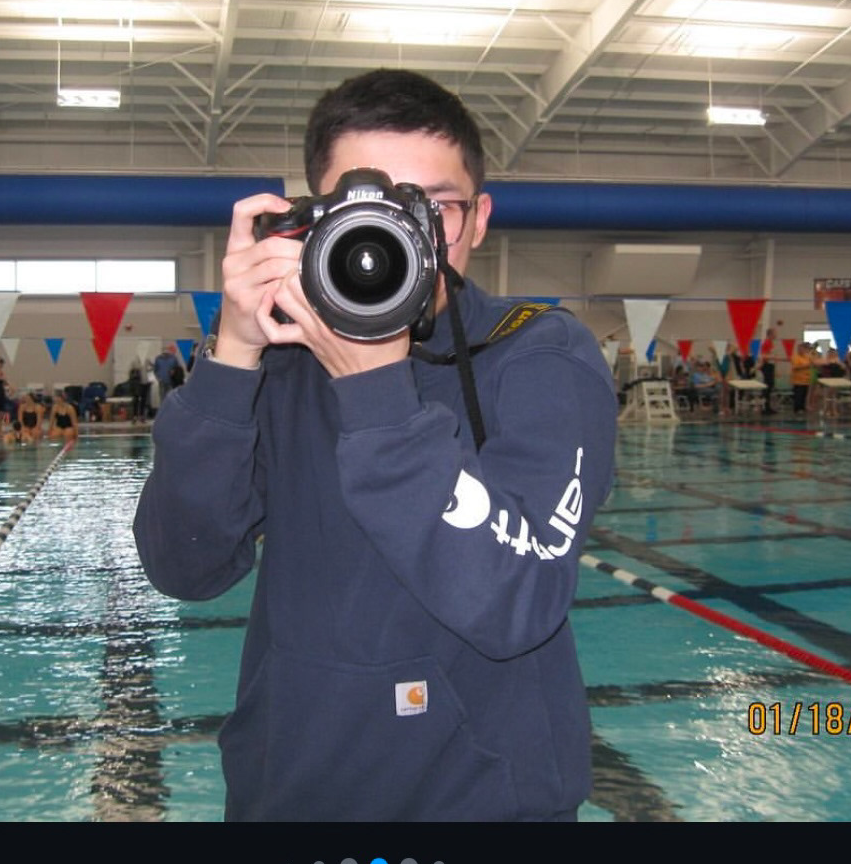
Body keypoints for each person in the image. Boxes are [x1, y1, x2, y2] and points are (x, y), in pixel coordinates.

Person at [134, 69, 618, 822]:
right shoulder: (281, 362)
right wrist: (232, 353)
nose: (405, 235)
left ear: (480, 218)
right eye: (368, 207)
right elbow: (183, 564)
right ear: (308, 220)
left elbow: (517, 599)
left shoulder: (539, 358)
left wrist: (376, 392)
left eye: (437, 207)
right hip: (288, 799)